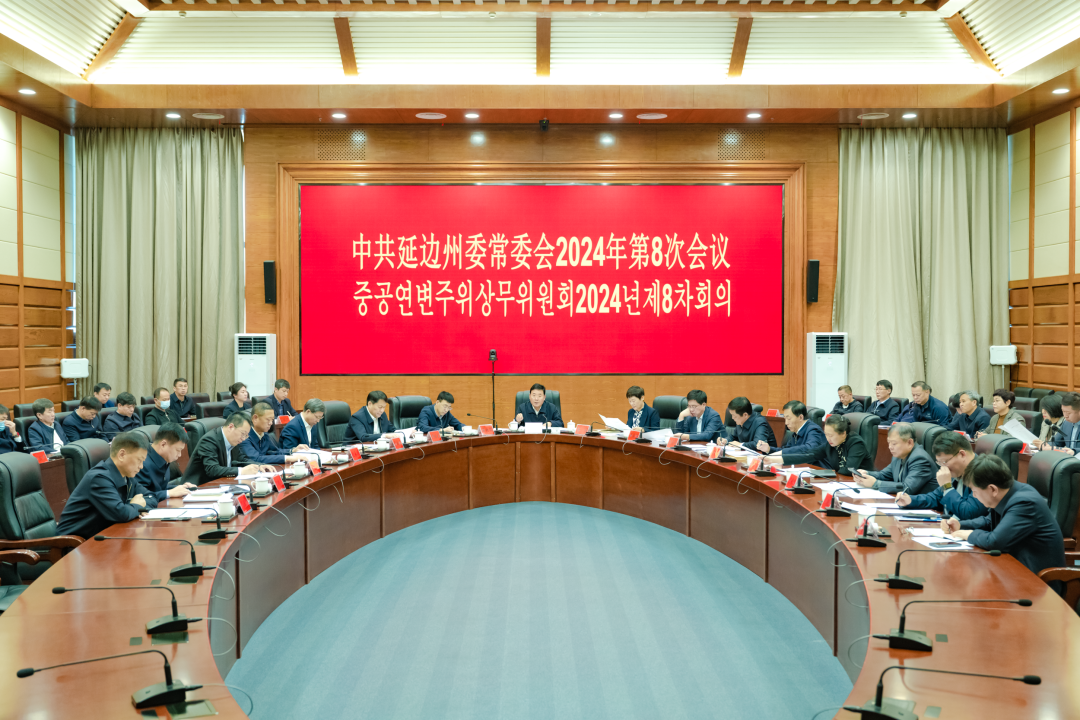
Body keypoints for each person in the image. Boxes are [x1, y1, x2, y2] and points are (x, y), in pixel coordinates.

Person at [944, 454, 1065, 578]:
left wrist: (969, 534)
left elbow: (995, 541)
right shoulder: (1008, 493)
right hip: (1013, 570)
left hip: (1038, 580)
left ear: (993, 489)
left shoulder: (1024, 502)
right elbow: (989, 521)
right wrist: (961, 525)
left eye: (974, 491)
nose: (974, 496)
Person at [56, 432, 156, 539]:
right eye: (139, 460)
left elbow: (152, 497)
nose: (141, 466)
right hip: (72, 543)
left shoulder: (127, 476)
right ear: (122, 455)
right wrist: (138, 506)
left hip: (101, 537)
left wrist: (133, 508)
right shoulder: (99, 478)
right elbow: (121, 514)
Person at [895, 432, 987, 520]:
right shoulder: (957, 469)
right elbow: (936, 497)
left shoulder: (982, 473)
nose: (943, 467)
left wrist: (947, 487)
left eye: (944, 462)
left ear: (962, 454)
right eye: (940, 463)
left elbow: (969, 513)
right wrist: (911, 500)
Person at [180, 412, 273, 485]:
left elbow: (241, 459)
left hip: (221, 484)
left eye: (246, 435)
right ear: (231, 427)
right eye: (243, 434)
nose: (244, 438)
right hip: (198, 488)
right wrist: (241, 471)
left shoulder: (234, 440)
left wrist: (258, 466)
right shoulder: (209, 440)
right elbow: (212, 469)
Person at [770, 414, 872, 474]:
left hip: (861, 486)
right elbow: (809, 455)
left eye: (831, 435)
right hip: (841, 482)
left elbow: (848, 470)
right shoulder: (830, 444)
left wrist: (828, 472)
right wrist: (774, 459)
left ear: (843, 433)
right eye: (826, 434)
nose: (828, 439)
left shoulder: (856, 444)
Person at [854, 422, 936, 495]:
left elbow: (907, 488)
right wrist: (865, 474)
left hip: (925, 506)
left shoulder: (920, 459)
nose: (890, 447)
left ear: (910, 442)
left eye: (894, 443)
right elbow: (883, 475)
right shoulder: (899, 455)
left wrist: (876, 484)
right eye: (889, 443)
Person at [134, 424, 196, 504]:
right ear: (163, 444)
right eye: (178, 450)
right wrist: (169, 493)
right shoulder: (142, 464)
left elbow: (159, 488)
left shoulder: (163, 458)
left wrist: (182, 488)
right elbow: (140, 497)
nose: (180, 455)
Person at [241, 403, 307, 465]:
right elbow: (257, 459)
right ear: (255, 418)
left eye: (272, 420)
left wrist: (292, 451)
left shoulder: (264, 434)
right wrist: (287, 458)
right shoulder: (244, 437)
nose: (271, 423)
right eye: (268, 419)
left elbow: (274, 451)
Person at [758, 400, 827, 459]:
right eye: (785, 418)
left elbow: (810, 448)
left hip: (817, 469)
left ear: (800, 417)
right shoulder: (795, 431)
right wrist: (769, 449)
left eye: (789, 418)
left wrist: (783, 452)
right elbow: (787, 450)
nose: (786, 423)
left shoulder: (814, 430)